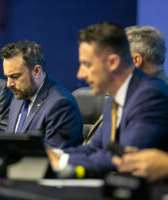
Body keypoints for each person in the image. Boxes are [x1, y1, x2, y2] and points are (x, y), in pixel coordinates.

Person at [47, 22, 168, 173]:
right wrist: (55, 155)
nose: (80, 74)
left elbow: (124, 159)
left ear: (113, 62)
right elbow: (95, 148)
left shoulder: (151, 95)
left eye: (87, 64)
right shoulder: (115, 95)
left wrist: (63, 161)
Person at [0, 40, 83, 151]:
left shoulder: (61, 104)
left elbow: (51, 160)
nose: (9, 84)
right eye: (7, 77)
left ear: (37, 71)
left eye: (15, 76)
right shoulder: (19, 97)